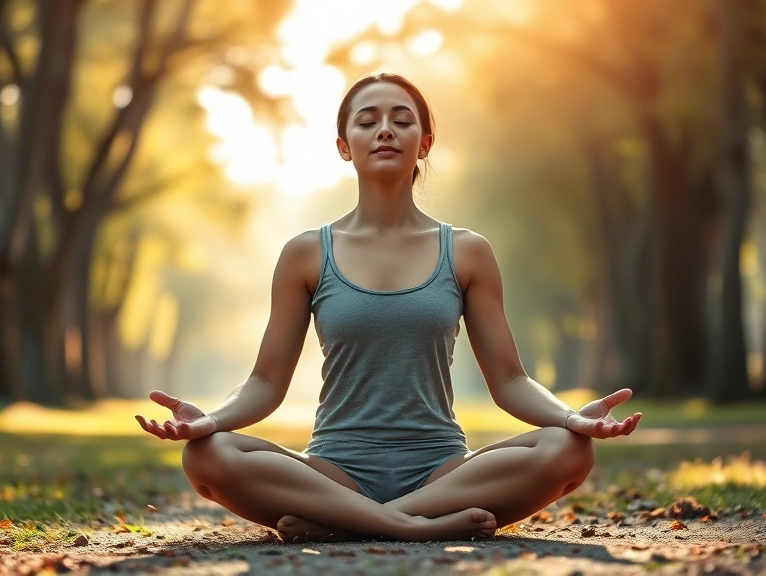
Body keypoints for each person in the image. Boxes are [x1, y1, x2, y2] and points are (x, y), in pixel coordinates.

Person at [135, 73, 642, 543]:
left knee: (569, 450)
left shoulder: (466, 251)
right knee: (207, 456)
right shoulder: (306, 253)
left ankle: (348, 525)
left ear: (424, 144)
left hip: (443, 472)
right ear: (343, 147)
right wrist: (211, 422)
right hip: (334, 472)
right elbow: (265, 384)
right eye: (367, 121)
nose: (385, 131)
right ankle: (413, 527)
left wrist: (572, 418)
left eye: (402, 121)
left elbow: (510, 381)